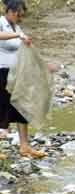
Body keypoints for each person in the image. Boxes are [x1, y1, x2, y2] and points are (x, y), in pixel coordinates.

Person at [0, 0, 53, 160]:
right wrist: (19, 36)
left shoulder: (17, 27)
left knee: (21, 106)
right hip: (2, 72)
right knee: (2, 108)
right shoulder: (1, 22)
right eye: (19, 15)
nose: (20, 18)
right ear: (12, 11)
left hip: (17, 74)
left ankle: (25, 146)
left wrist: (43, 65)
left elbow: (25, 48)